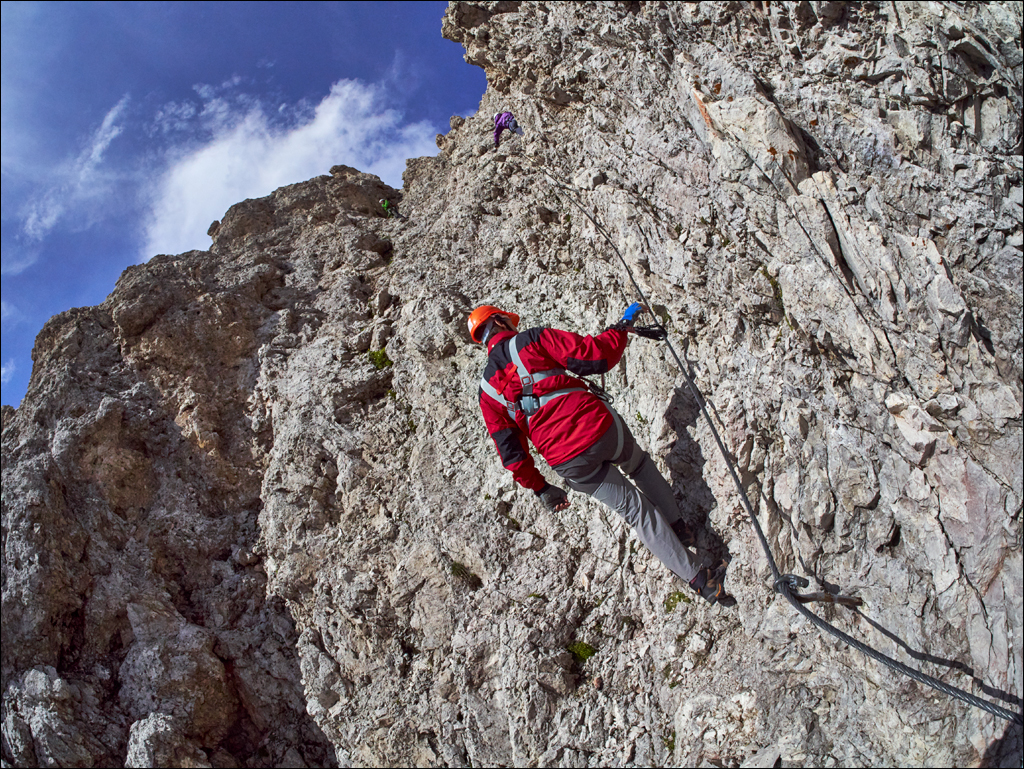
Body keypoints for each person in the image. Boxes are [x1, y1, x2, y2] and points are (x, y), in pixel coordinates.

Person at [468, 304, 732, 604]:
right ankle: (678, 528)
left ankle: (702, 581)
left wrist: (542, 489)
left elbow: (513, 456)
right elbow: (594, 356)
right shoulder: (531, 339)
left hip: (568, 462)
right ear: (500, 320)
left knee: (636, 512)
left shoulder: (487, 393)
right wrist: (620, 329)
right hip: (598, 427)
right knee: (639, 466)